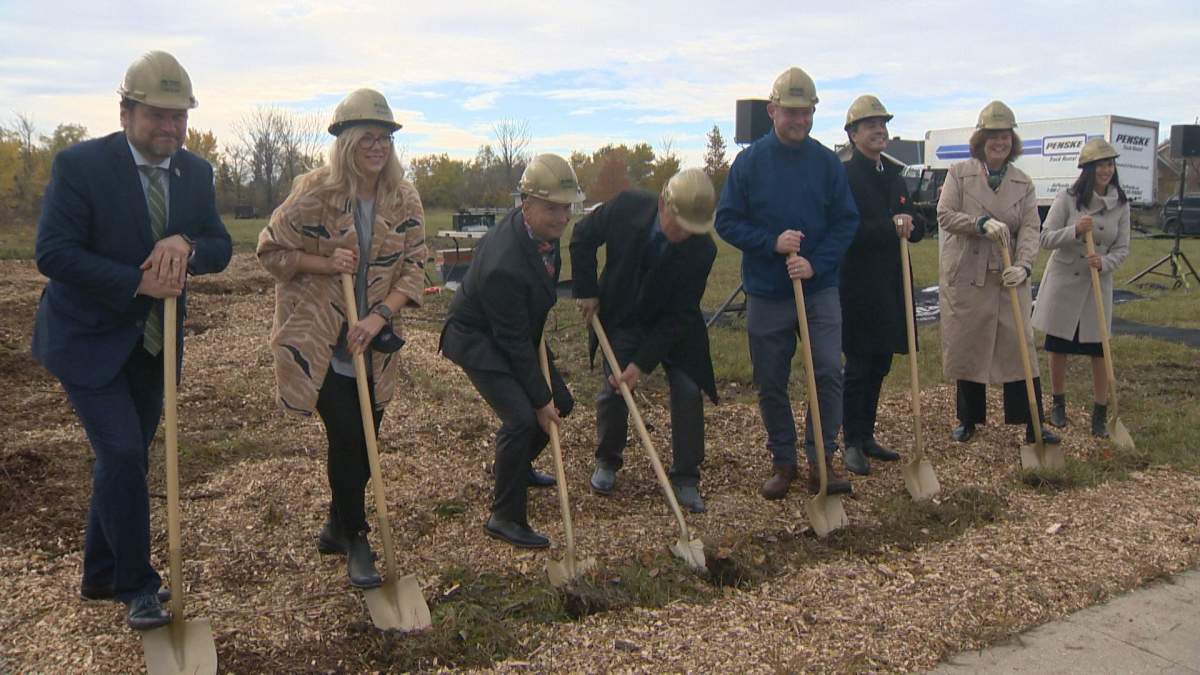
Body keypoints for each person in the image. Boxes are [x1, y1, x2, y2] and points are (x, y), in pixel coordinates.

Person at [31, 51, 231, 630]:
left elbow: (220, 246)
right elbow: (53, 254)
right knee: (121, 453)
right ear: (126, 114)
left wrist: (187, 244)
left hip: (153, 344)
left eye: (179, 116)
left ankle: (100, 572)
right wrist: (137, 281)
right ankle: (137, 585)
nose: (170, 127)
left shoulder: (196, 173)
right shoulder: (81, 166)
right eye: (157, 115)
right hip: (86, 340)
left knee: (125, 457)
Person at [257, 89, 427, 588]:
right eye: (367, 137)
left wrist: (379, 316)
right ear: (346, 142)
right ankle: (357, 536)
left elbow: (415, 267)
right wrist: (325, 261)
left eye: (385, 138)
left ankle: (335, 524)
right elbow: (270, 251)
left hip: (372, 344)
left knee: (367, 444)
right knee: (350, 436)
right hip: (318, 342)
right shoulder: (315, 193)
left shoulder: (404, 197)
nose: (377, 147)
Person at [715, 66, 860, 500]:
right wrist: (771, 243)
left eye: (807, 112)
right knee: (771, 378)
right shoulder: (749, 163)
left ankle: (822, 459)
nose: (800, 120)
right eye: (791, 112)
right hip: (767, 291)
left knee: (828, 371)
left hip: (819, 288)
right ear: (773, 111)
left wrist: (815, 264)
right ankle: (783, 459)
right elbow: (726, 220)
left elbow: (846, 221)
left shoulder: (826, 163)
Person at [439, 153, 579, 549]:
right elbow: (513, 344)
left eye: (566, 207)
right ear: (526, 204)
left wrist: (548, 400)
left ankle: (516, 466)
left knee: (562, 403)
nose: (562, 217)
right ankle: (504, 516)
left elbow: (526, 322)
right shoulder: (505, 262)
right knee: (522, 419)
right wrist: (539, 400)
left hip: (516, 329)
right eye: (552, 208)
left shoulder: (542, 234)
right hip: (478, 338)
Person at [570, 168, 719, 513]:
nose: (685, 235)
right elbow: (582, 236)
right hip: (625, 313)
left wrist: (642, 364)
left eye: (693, 229)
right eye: (680, 226)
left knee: (688, 389)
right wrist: (587, 290)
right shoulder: (627, 207)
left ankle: (686, 476)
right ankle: (607, 460)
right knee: (616, 385)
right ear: (664, 204)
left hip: (674, 325)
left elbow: (680, 315)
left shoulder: (703, 249)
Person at [936, 100, 1060, 446]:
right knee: (968, 345)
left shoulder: (1023, 182)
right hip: (969, 274)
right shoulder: (959, 174)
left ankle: (1032, 422)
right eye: (993, 135)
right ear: (981, 139)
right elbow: (944, 215)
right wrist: (979, 223)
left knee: (1020, 350)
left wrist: (1024, 265)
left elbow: (1031, 228)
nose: (1000, 142)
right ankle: (968, 419)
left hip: (1007, 275)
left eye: (1005, 135)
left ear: (1012, 140)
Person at [838, 95, 925, 476]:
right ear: (853, 134)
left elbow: (916, 222)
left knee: (880, 364)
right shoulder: (845, 176)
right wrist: (890, 227)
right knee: (859, 366)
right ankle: (851, 441)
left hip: (892, 284)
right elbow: (847, 230)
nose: (879, 131)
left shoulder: (893, 174)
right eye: (870, 125)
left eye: (883, 124)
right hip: (858, 285)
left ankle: (867, 435)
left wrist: (912, 224)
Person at [1031, 138, 1130, 437]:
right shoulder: (1067, 198)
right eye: (1100, 165)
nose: (1106, 170)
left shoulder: (1121, 205)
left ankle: (1100, 412)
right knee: (1058, 345)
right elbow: (1045, 238)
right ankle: (1058, 404)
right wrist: (1075, 230)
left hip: (1095, 287)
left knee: (1099, 350)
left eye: (1109, 164)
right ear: (1087, 169)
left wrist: (1104, 262)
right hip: (1064, 284)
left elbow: (1123, 248)